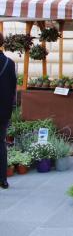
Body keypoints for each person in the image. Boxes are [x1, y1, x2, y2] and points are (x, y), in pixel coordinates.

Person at [0, 32, 16, 189]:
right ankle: (3, 179)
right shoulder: (9, 63)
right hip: (3, 112)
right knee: (1, 144)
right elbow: (13, 90)